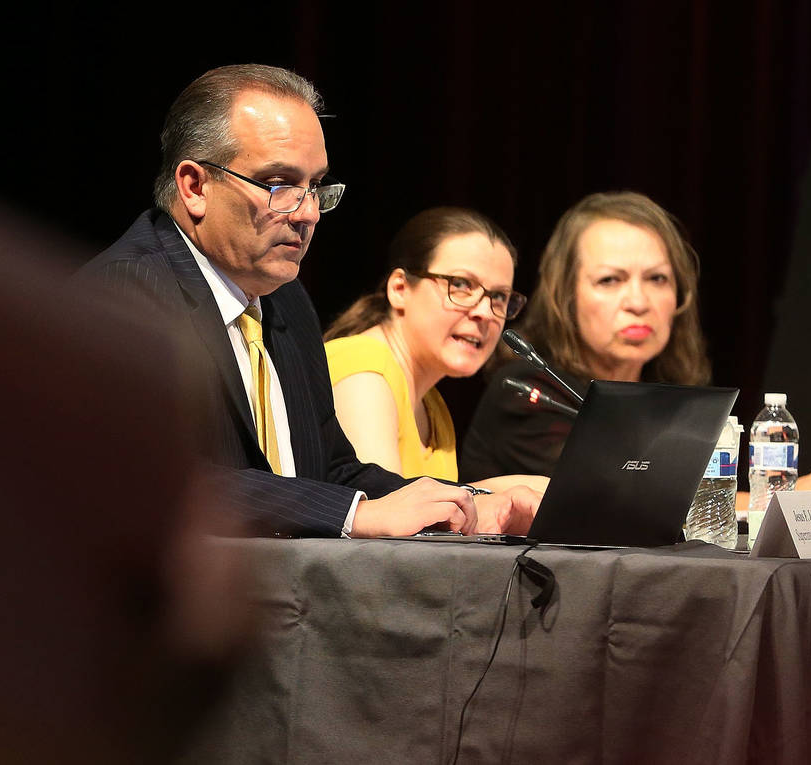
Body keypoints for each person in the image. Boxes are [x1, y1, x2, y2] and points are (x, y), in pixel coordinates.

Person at [79, 64, 539, 538]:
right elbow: (163, 478)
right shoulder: (126, 293)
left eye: (316, 186)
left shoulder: (287, 300)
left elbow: (334, 474)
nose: (308, 213)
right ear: (196, 186)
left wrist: (472, 506)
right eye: (280, 185)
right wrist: (355, 515)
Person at [459, 191, 811, 508]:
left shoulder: (670, 397)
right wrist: (781, 501)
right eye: (611, 280)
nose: (638, 301)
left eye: (657, 279)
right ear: (566, 296)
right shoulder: (526, 389)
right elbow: (619, 501)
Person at [323, 207, 547, 494]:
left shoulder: (433, 406)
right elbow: (385, 513)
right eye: (462, 285)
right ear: (400, 289)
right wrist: (505, 493)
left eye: (499, 297)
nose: (484, 313)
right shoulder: (361, 369)